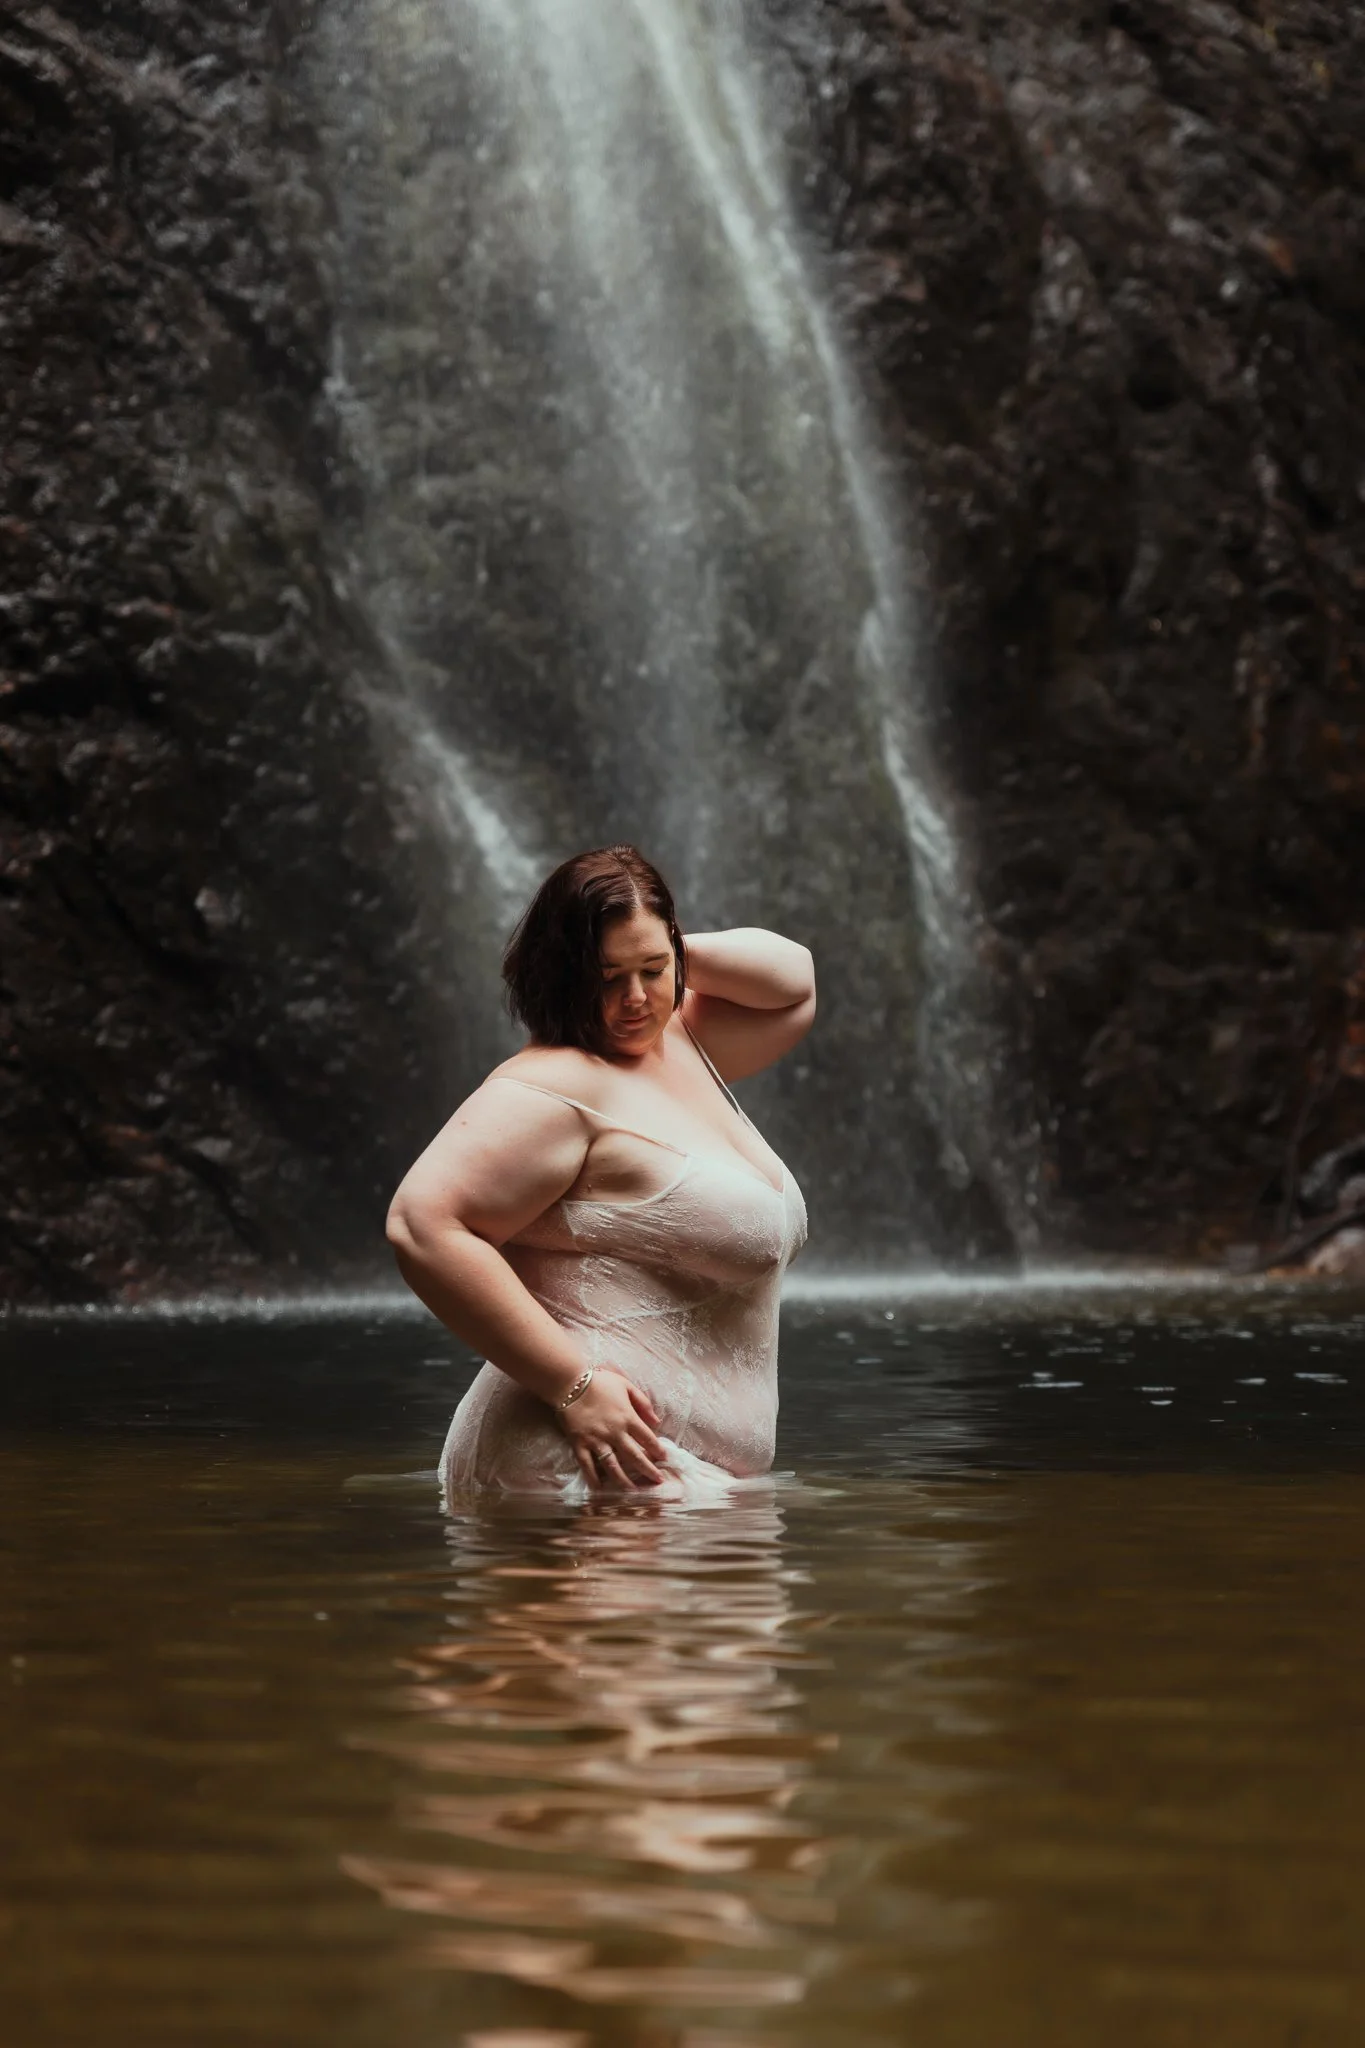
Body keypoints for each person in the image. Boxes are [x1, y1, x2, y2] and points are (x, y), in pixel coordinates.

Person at [386, 845, 813, 1501]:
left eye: (652, 969)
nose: (635, 998)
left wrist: (655, 942)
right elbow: (421, 1225)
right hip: (583, 1464)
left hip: (666, 1483)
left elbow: (794, 982)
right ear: (562, 973)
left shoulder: (679, 1043)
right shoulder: (551, 1088)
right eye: (606, 975)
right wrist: (572, 1385)